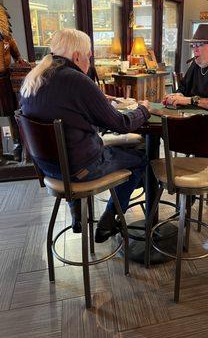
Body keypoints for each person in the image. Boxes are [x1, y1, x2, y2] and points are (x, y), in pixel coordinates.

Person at [20, 29, 150, 243]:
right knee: (140, 158)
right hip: (80, 170)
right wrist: (144, 109)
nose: (89, 61)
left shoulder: (34, 77)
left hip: (49, 168)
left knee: (114, 150)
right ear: (77, 56)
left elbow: (65, 109)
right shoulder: (77, 80)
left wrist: (99, 100)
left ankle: (77, 213)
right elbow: (122, 124)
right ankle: (109, 219)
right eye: (89, 56)